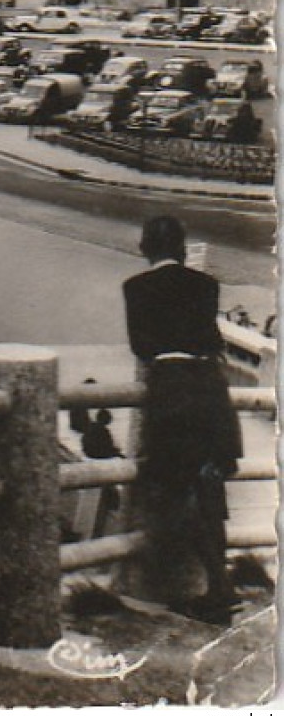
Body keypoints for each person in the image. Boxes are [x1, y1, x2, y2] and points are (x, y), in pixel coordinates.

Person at [123, 214, 242, 624]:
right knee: (210, 483)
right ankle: (219, 585)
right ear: (181, 249)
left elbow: (142, 347)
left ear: (145, 249)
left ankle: (214, 588)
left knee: (178, 486)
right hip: (210, 387)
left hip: (172, 390)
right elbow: (211, 339)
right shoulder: (207, 286)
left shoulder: (135, 288)